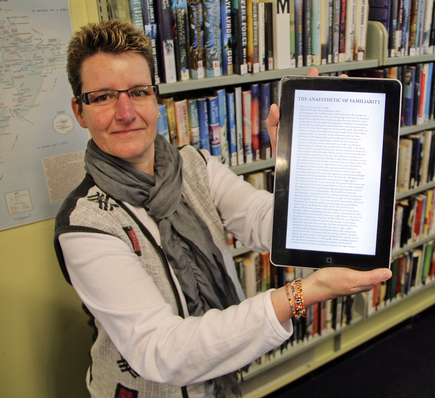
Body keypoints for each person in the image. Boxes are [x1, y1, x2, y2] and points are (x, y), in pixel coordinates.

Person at [54, 19, 392, 398]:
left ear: (156, 98)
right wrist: (301, 293)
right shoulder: (84, 224)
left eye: (139, 91)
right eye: (102, 97)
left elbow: (270, 223)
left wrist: (306, 161)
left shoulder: (194, 165)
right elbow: (161, 350)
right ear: (79, 111)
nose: (126, 111)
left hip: (218, 386)